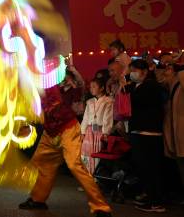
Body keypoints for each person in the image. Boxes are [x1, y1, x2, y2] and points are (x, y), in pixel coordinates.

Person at [19, 64, 112, 217]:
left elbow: (47, 108)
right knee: (43, 163)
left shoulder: (47, 84)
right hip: (50, 132)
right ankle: (38, 199)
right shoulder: (25, 88)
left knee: (74, 164)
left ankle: (100, 207)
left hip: (67, 128)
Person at [124, 58, 167, 213]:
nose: (131, 74)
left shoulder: (150, 85)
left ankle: (156, 202)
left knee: (151, 168)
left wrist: (128, 91)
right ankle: (150, 197)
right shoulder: (138, 86)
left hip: (149, 133)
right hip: (140, 132)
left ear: (144, 71)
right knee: (144, 168)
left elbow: (138, 102)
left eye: (134, 70)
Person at [80, 78, 114, 175]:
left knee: (97, 153)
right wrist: (82, 132)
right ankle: (87, 179)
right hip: (89, 131)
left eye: (94, 87)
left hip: (99, 132)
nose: (91, 89)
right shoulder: (90, 101)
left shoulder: (108, 101)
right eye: (90, 87)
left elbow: (107, 118)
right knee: (86, 154)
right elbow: (85, 118)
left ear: (102, 88)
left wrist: (105, 132)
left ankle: (96, 178)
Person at [163, 63, 184, 197]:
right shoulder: (171, 87)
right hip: (175, 135)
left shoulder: (181, 85)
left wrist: (180, 68)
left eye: (169, 69)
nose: (165, 72)